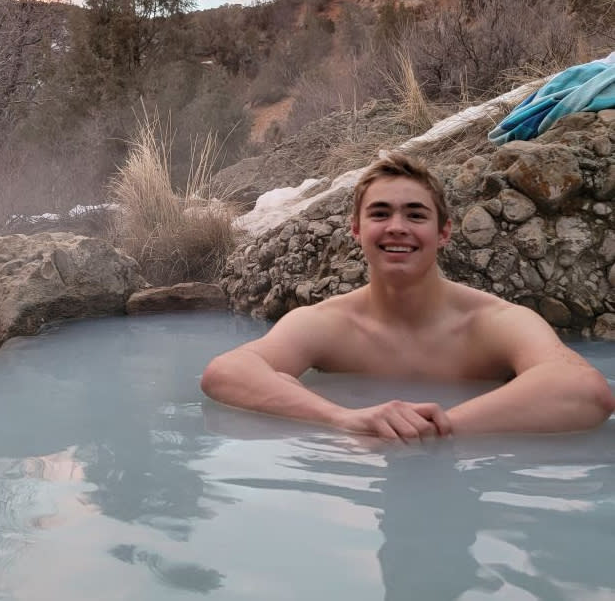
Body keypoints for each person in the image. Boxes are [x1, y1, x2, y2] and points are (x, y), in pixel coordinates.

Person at [201, 152, 615, 439]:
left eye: (415, 214)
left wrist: (445, 425)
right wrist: (345, 420)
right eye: (380, 214)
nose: (397, 226)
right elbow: (225, 373)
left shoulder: (496, 323)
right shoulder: (327, 324)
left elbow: (586, 391)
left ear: (444, 232)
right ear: (357, 230)